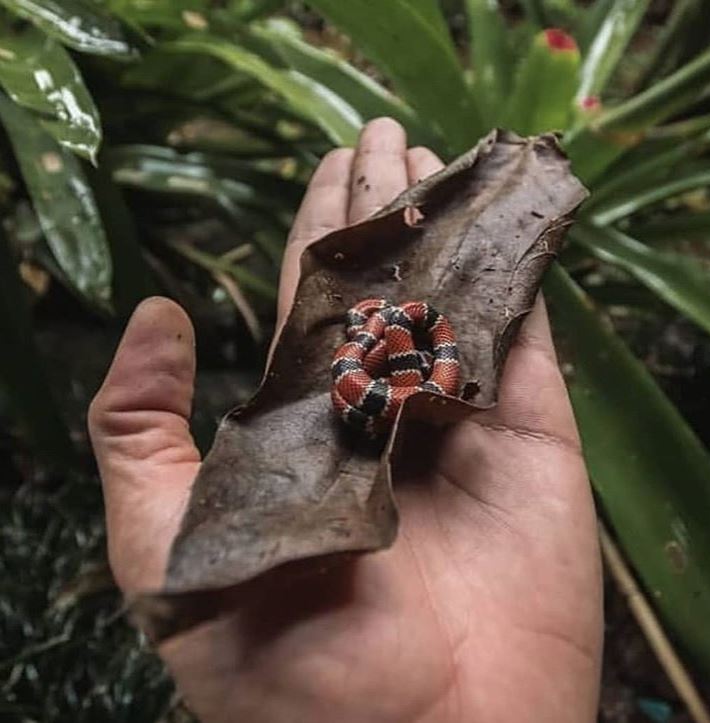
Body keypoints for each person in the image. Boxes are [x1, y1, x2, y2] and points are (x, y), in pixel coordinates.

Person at [88, 118, 603, 722]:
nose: (358, 331)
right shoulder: (393, 347)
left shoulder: (378, 351)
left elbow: (390, 360)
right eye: (364, 328)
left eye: (363, 326)